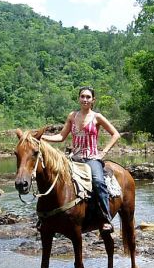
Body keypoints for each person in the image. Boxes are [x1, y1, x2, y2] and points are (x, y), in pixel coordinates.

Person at [41, 86, 121, 231]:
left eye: (88, 97)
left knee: (98, 182)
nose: (85, 99)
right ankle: (46, 218)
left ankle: (105, 219)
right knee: (52, 178)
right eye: (82, 96)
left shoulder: (97, 117)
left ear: (93, 100)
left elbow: (116, 134)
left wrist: (103, 152)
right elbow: (61, 136)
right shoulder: (72, 116)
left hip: (91, 158)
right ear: (79, 98)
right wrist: (42, 137)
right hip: (74, 158)